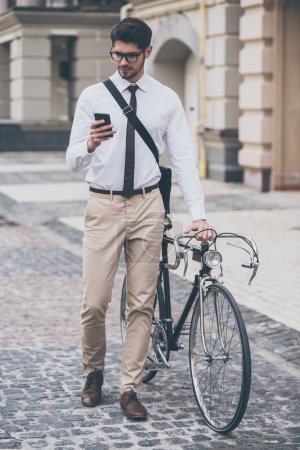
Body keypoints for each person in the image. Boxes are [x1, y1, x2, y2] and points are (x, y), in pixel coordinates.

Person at [66, 17, 214, 420]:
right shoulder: (93, 95)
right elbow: (71, 161)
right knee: (94, 301)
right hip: (104, 204)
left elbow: (183, 160)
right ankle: (93, 372)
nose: (123, 63)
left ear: (147, 52)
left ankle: (129, 388)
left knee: (141, 304)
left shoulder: (166, 99)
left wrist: (196, 215)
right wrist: (89, 143)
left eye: (131, 56)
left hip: (149, 205)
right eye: (117, 54)